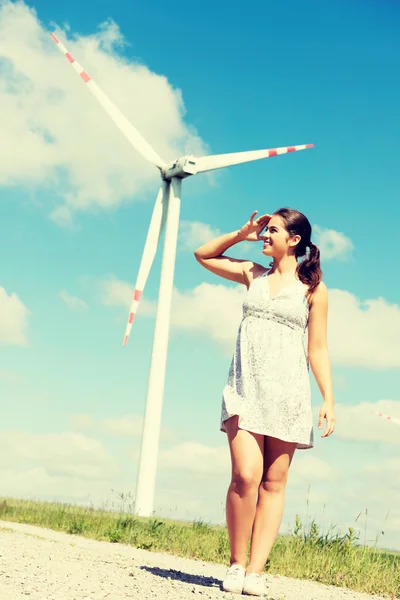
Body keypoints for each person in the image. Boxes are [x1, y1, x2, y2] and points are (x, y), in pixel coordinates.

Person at [194, 207, 335, 596]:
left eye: (271, 230)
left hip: (288, 393)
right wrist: (240, 234)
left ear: (294, 240)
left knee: (274, 482)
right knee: (245, 476)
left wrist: (328, 398)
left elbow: (318, 349)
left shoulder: (314, 290)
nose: (264, 235)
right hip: (244, 389)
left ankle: (256, 571)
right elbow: (202, 255)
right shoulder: (251, 274)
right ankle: (237, 564)